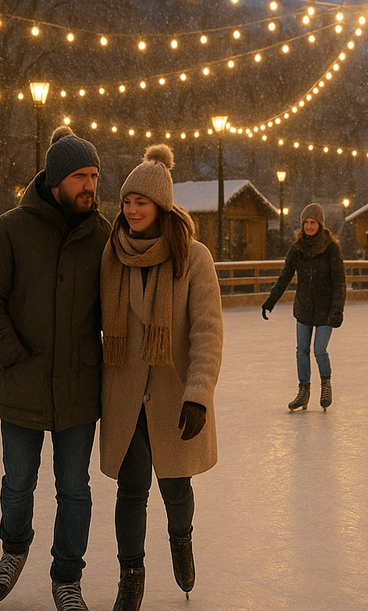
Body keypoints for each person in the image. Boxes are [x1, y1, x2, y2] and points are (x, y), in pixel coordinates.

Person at [0, 126, 111, 611]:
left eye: (94, 175)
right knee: (18, 482)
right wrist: (10, 353)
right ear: (55, 181)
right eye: (80, 176)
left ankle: (67, 576)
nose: (90, 185)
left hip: (78, 387)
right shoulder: (10, 229)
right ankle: (14, 548)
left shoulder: (103, 235)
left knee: (75, 489)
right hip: (23, 382)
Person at [98, 144, 224, 611]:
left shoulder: (193, 258)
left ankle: (181, 537)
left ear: (162, 206)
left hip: (174, 395)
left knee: (175, 485)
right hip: (125, 395)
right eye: (127, 201)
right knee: (131, 489)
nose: (131, 210)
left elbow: (208, 332)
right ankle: (131, 572)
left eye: (141, 202)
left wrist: (198, 395)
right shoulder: (112, 255)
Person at [261, 203, 345, 411]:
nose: (309, 226)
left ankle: (325, 385)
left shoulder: (331, 249)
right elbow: (285, 276)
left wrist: (337, 309)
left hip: (326, 309)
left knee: (319, 349)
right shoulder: (297, 249)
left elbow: (339, 282)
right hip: (304, 307)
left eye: (313, 222)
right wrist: (272, 299)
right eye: (306, 222)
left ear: (320, 224)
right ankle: (304, 391)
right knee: (301, 351)